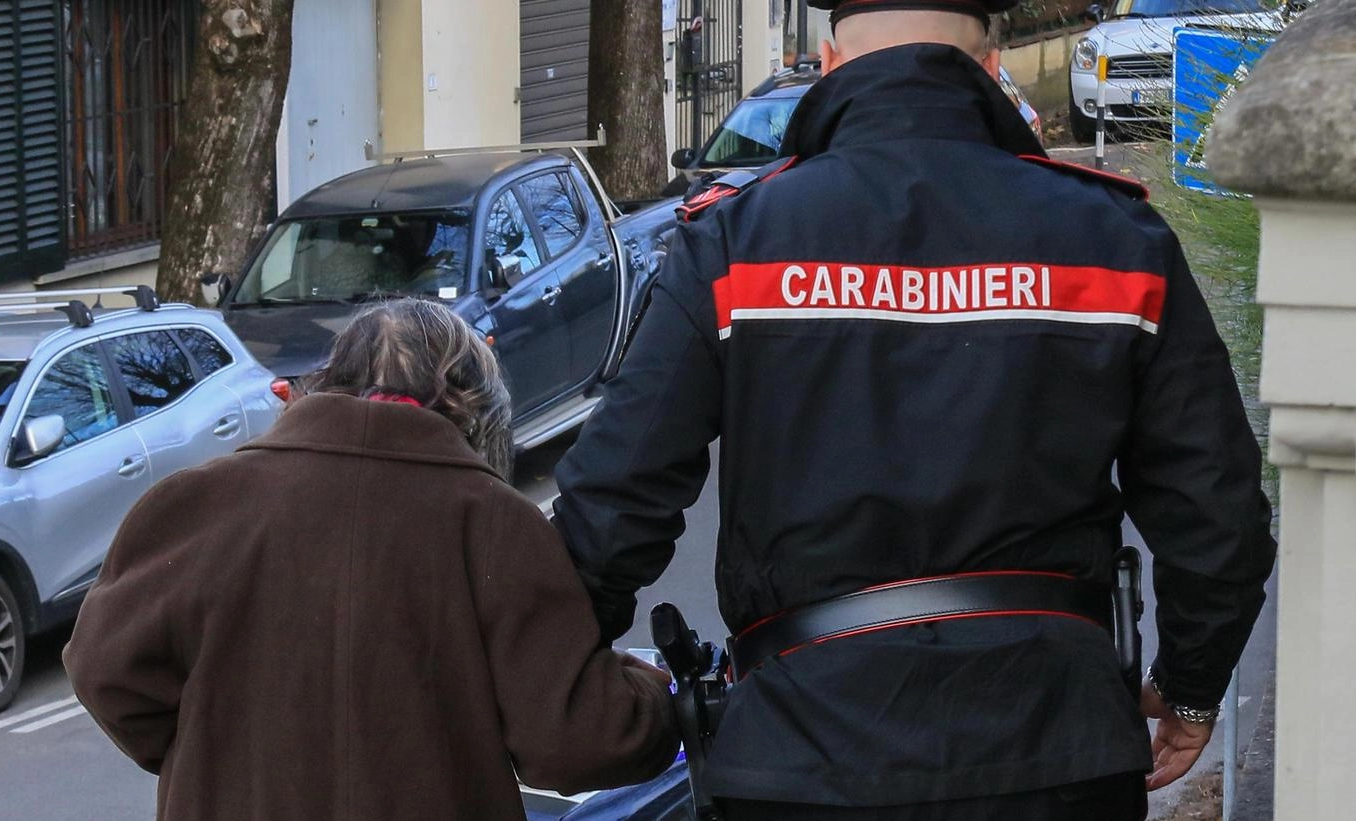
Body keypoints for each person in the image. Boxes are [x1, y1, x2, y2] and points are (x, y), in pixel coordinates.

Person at [550, 1, 1277, 819]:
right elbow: (1215, 507)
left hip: (803, 756)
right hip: (1053, 749)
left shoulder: (734, 244)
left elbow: (615, 497)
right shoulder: (1114, 237)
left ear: (828, 63)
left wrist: (551, 679)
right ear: (993, 63)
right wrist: (1188, 688)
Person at [64, 298, 679, 821]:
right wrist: (658, 697)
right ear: (476, 407)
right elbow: (575, 738)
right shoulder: (492, 523)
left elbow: (105, 671)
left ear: (328, 380)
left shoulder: (195, 503)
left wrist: (213, 750)